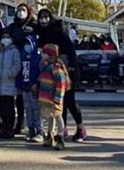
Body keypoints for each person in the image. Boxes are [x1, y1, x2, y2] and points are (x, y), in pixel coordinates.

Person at [36, 8, 87, 142]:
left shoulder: (59, 31)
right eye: (41, 17)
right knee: (58, 103)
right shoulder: (40, 33)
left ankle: (80, 128)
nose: (43, 20)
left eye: (46, 17)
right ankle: (62, 129)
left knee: (69, 100)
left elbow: (70, 49)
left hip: (66, 68)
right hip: (50, 70)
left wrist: (73, 67)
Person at [5, 3, 36, 135]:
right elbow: (4, 33)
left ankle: (31, 125)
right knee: (17, 95)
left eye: (23, 10)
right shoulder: (13, 26)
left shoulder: (33, 26)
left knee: (27, 96)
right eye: (18, 10)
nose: (20, 12)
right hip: (14, 59)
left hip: (28, 61)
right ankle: (16, 122)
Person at [38, 43, 69, 151]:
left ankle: (60, 136)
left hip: (54, 99)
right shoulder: (45, 67)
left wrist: (58, 98)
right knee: (50, 117)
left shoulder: (56, 69)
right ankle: (49, 135)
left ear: (51, 55)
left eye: (44, 53)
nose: (42, 55)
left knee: (58, 117)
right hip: (47, 98)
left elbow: (61, 85)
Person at [0, 32, 21, 139]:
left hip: (9, 83)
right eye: (3, 37)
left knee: (9, 107)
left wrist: (10, 74)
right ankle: (4, 126)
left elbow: (17, 65)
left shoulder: (14, 51)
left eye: (8, 37)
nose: (5, 39)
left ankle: (10, 127)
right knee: (2, 107)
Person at [17, 35, 43, 142]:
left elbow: (41, 72)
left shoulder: (37, 57)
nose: (26, 46)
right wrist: (19, 85)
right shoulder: (22, 56)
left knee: (36, 109)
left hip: (34, 88)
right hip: (24, 87)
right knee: (28, 109)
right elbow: (20, 72)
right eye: (25, 44)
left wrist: (37, 83)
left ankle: (39, 131)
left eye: (29, 43)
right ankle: (31, 129)